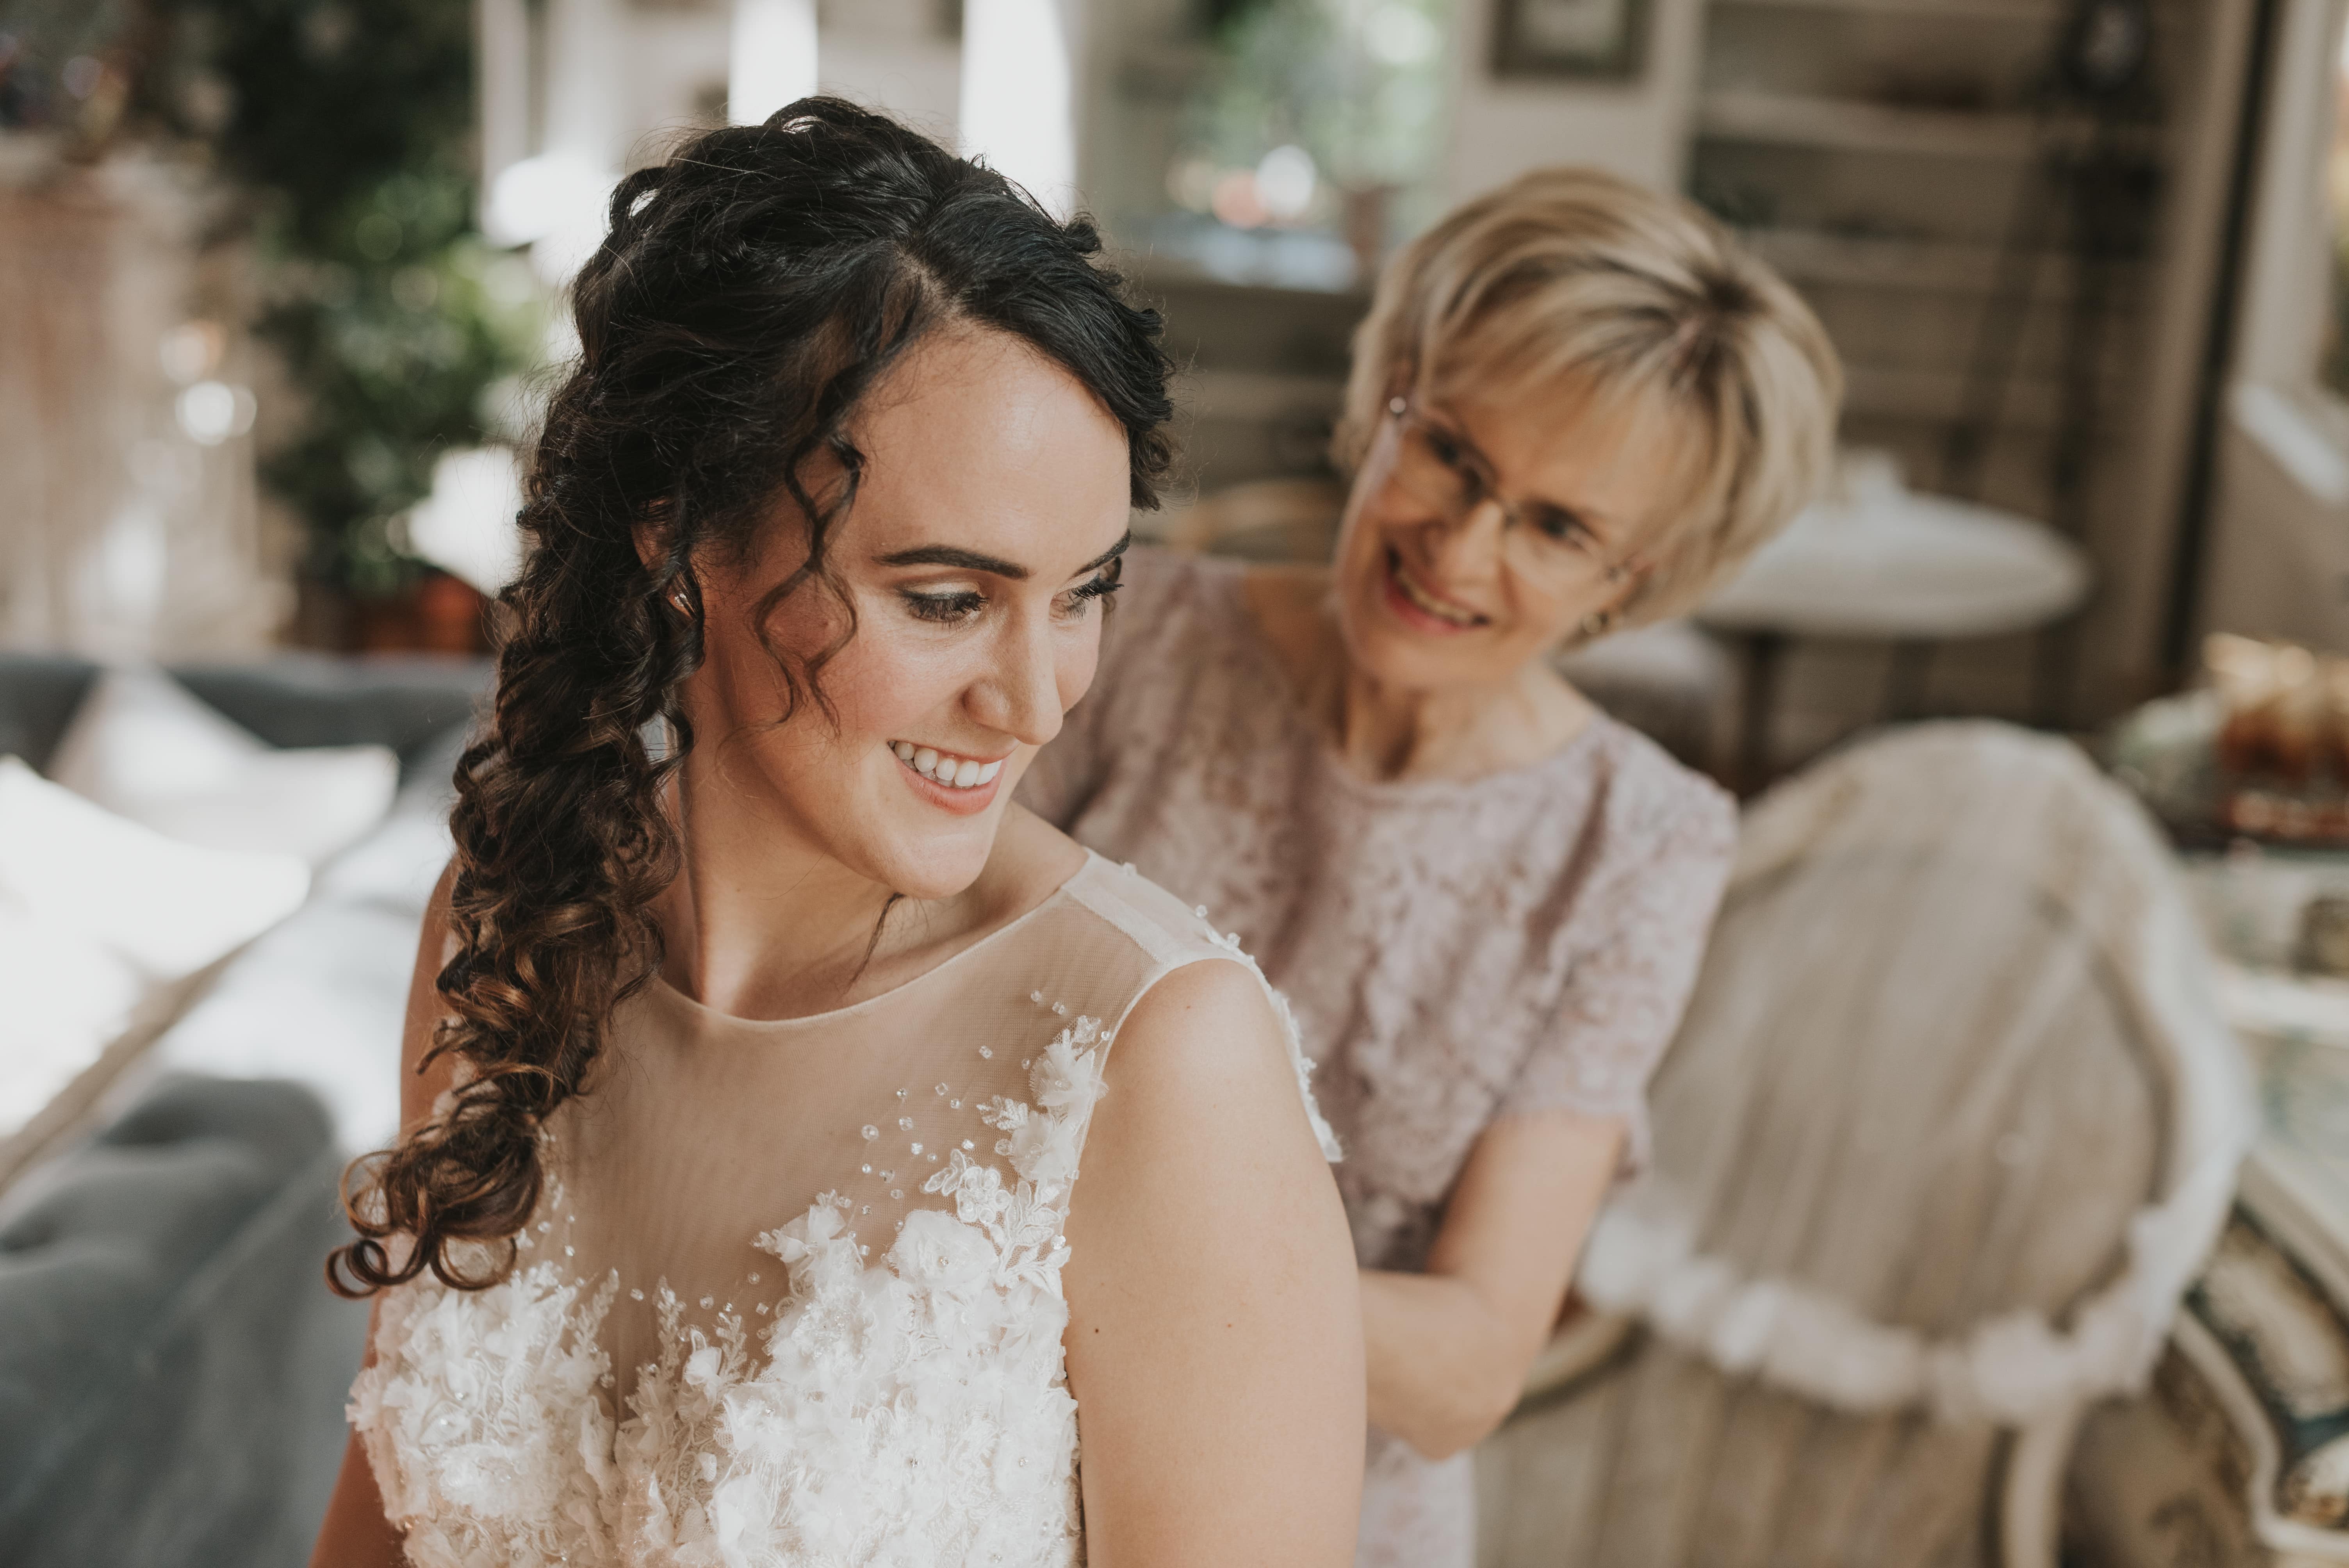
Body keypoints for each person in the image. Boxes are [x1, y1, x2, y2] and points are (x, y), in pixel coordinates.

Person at [307, 101, 1364, 1568]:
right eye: (947, 600)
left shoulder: (1154, 1059)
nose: (1036, 699)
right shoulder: (512, 923)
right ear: (680, 543)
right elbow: (383, 1529)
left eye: (1083, 593)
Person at [1017, 166, 1843, 1566]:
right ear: (1384, 395)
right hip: (989, 1453)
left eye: (1558, 528)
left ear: (1631, 584)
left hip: (1336, 1518)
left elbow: (1467, 1367)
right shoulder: (1132, 627)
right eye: (1452, 455)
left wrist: (1122, 1259)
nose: (1461, 550)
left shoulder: (1643, 847)